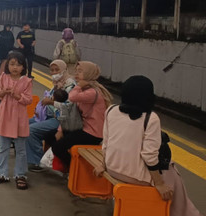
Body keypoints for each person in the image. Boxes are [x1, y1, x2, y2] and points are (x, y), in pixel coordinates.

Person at [94, 76, 203, 216]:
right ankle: (185, 213)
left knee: (168, 171)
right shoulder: (150, 118)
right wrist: (159, 184)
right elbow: (149, 156)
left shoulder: (111, 110)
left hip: (112, 168)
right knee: (172, 173)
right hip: (134, 176)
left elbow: (107, 143)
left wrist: (103, 165)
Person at [46, 61, 113, 169]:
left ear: (89, 74)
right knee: (50, 136)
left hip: (92, 133)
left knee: (58, 147)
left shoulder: (92, 92)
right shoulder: (84, 89)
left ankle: (72, 168)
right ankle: (64, 166)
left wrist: (77, 86)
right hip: (81, 127)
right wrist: (60, 130)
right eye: (76, 71)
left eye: (80, 72)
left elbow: (71, 97)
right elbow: (69, 111)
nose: (76, 74)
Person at [0, 51, 33, 190]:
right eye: (12, 64)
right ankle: (2, 173)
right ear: (7, 65)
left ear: (23, 67)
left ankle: (20, 174)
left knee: (20, 149)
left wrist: (18, 96)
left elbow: (28, 100)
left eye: (18, 65)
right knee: (3, 147)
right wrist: (4, 92)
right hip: (5, 116)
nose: (15, 67)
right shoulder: (4, 77)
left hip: (19, 118)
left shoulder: (27, 81)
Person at [26, 59, 76, 172]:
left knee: (31, 130)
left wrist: (51, 103)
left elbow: (68, 108)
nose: (54, 72)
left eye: (57, 70)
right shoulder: (57, 84)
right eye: (52, 70)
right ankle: (28, 154)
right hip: (48, 115)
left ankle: (37, 162)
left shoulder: (70, 86)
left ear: (64, 70)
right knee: (24, 124)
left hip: (60, 120)